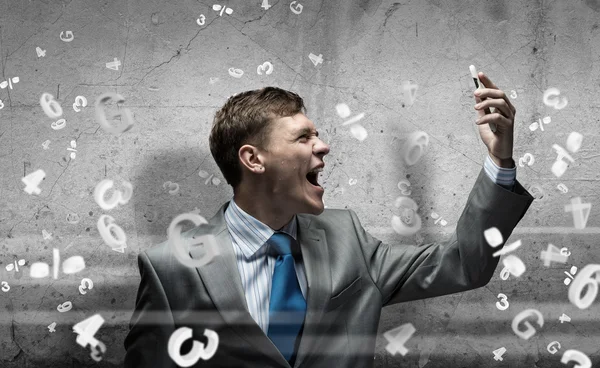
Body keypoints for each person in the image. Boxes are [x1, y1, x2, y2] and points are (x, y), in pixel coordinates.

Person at [124, 74, 534, 367]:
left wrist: (500, 160)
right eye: (303, 138)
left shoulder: (347, 238)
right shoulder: (171, 267)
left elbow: (466, 264)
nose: (324, 146)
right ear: (253, 159)